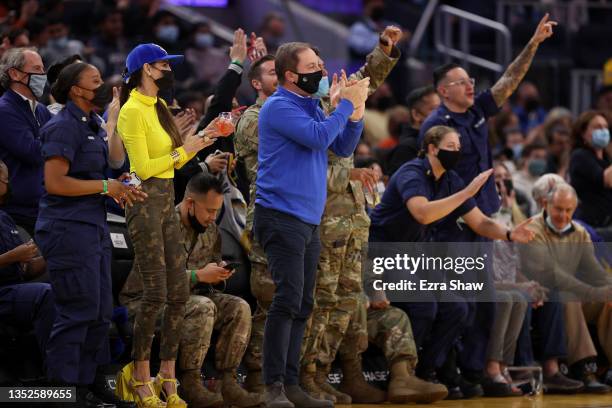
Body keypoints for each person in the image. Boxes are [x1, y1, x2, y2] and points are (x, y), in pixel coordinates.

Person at [418, 14, 556, 385]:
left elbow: (510, 80)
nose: (470, 86)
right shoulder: (435, 124)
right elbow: (437, 177)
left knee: (485, 300)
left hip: (485, 217)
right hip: (454, 224)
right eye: (462, 82)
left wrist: (534, 43)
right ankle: (445, 369)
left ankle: (478, 370)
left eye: (471, 81)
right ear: (444, 90)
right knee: (459, 304)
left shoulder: (478, 110)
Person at [369, 126, 534, 398]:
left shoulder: (451, 179)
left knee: (458, 306)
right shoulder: (412, 173)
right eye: (451, 146)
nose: (457, 152)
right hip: (381, 252)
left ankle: (425, 372)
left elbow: (479, 222)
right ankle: (400, 375)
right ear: (432, 148)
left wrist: (508, 233)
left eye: (459, 147)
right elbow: (421, 213)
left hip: (414, 255)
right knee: (425, 305)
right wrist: (466, 192)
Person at [254, 41, 368, 408]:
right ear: (291, 75)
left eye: (321, 63)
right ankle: (273, 386)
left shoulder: (312, 106)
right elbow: (319, 137)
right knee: (286, 300)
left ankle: (291, 385)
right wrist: (343, 105)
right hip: (280, 215)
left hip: (306, 219)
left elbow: (344, 146)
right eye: (314, 65)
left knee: (303, 302)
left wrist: (354, 111)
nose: (321, 70)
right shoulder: (278, 106)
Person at [115, 43, 223, 408]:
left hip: (166, 199)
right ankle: (140, 376)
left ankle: (168, 375)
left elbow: (177, 160)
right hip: (144, 202)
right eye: (163, 65)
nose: (168, 70)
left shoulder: (159, 107)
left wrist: (209, 136)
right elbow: (142, 168)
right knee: (156, 294)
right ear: (146, 69)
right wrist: (185, 148)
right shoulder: (131, 111)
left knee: (178, 294)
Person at [35, 62, 142, 407]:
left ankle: (91, 383)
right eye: (95, 81)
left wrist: (117, 184)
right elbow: (55, 183)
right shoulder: (62, 127)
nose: (103, 85)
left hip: (92, 225)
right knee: (77, 312)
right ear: (77, 90)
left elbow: (101, 172)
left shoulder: (92, 122)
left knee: (100, 312)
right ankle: (63, 392)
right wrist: (104, 186)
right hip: (67, 229)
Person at [121, 172, 262, 407]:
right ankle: (189, 381)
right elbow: (154, 280)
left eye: (217, 211)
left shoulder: (210, 230)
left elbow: (208, 274)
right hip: (145, 302)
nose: (213, 217)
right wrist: (198, 275)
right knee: (202, 307)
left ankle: (226, 380)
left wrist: (218, 274)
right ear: (189, 204)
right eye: (209, 210)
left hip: (192, 296)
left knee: (239, 307)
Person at [518, 183, 612, 393]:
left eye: (569, 210)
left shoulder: (579, 232)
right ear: (545, 204)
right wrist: (594, 292)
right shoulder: (532, 230)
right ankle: (585, 368)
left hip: (574, 295)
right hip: (542, 297)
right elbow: (553, 276)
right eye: (558, 209)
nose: (563, 215)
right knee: (567, 296)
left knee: (607, 303)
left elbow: (594, 271)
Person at [0, 159, 55, 378]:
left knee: (70, 291)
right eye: (2, 175)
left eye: (5, 174)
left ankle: (87, 378)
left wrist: (52, 254)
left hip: (14, 291)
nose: (6, 179)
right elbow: (15, 259)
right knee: (44, 295)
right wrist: (14, 255)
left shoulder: (5, 218)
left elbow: (27, 270)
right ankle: (56, 379)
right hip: (3, 293)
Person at [0, 47, 52, 237]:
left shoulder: (42, 110)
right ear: (14, 73)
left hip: (43, 207)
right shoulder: (5, 110)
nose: (42, 75)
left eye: (43, 69)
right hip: (17, 212)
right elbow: (33, 152)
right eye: (37, 69)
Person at [569, 110, 612, 230]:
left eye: (605, 127)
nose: (603, 131)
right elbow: (607, 180)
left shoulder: (607, 159)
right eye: (597, 127)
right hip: (591, 225)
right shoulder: (580, 156)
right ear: (583, 133)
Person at [385, 85, 440, 176]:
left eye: (441, 108)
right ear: (416, 115)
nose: (440, 114)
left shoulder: (441, 141)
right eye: (434, 109)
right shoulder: (406, 149)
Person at [512, 142, 548, 216]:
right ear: (525, 158)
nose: (541, 161)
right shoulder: (514, 181)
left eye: (543, 158)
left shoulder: (546, 182)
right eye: (537, 157)